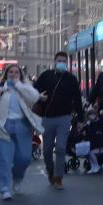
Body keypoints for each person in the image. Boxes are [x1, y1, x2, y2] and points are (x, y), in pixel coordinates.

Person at [0, 64, 42, 200]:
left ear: (20, 74)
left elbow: (34, 97)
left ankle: (17, 177)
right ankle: (4, 188)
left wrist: (18, 85)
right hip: (0, 127)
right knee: (3, 160)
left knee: (24, 158)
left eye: (16, 72)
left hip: (22, 127)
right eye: (10, 72)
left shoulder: (24, 86)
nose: (13, 74)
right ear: (6, 74)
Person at [34, 51, 83, 190]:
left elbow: (77, 99)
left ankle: (58, 177)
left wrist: (80, 118)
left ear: (66, 63)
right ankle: (50, 171)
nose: (61, 63)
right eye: (59, 61)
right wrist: (39, 96)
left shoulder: (71, 79)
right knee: (47, 150)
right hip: (47, 118)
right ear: (54, 62)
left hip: (64, 118)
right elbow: (33, 92)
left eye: (64, 61)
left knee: (61, 148)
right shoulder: (46, 76)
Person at [80, 107, 103, 175]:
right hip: (93, 144)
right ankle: (93, 167)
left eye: (93, 114)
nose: (91, 116)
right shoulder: (89, 124)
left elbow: (102, 124)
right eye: (90, 115)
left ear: (96, 115)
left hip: (99, 145)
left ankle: (96, 166)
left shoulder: (99, 122)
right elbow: (84, 131)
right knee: (88, 153)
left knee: (90, 152)